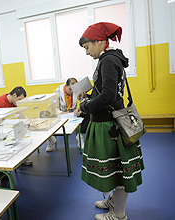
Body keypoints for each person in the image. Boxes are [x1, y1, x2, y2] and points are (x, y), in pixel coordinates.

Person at [78, 22, 144, 220]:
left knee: (118, 171)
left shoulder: (108, 61)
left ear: (99, 42)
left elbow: (107, 96)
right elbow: (109, 91)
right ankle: (114, 202)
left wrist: (85, 106)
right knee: (117, 169)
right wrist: (90, 95)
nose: (87, 52)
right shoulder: (112, 59)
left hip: (110, 125)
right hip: (110, 122)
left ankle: (119, 214)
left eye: (87, 47)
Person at [0, 86, 33, 166]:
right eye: (19, 99)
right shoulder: (0, 102)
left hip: (3, 124)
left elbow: (19, 112)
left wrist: (28, 122)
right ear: (14, 95)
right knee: (14, 137)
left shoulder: (12, 101)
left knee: (21, 134)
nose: (20, 102)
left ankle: (21, 158)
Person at [45, 78, 89, 152]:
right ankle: (51, 140)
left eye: (73, 90)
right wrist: (64, 113)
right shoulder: (57, 92)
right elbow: (52, 109)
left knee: (86, 113)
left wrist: (78, 109)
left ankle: (80, 137)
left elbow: (82, 103)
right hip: (61, 114)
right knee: (46, 115)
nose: (72, 92)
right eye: (70, 89)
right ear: (66, 85)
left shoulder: (76, 90)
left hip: (73, 114)